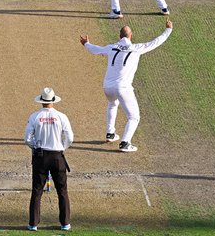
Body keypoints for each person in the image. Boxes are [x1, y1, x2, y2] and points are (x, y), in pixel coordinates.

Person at [80, 19, 173, 152]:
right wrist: (168, 30)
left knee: (112, 104)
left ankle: (110, 134)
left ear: (119, 36)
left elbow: (96, 50)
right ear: (131, 36)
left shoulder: (111, 47)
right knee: (134, 117)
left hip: (107, 86)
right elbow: (155, 42)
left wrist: (86, 44)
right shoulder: (136, 48)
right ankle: (125, 143)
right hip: (123, 87)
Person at [24, 87, 73, 232]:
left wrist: (35, 147)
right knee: (62, 190)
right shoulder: (61, 116)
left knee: (37, 190)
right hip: (57, 156)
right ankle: (65, 223)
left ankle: (33, 224)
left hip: (40, 156)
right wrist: (61, 148)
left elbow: (27, 138)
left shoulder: (34, 116)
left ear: (41, 101)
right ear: (53, 101)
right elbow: (70, 137)